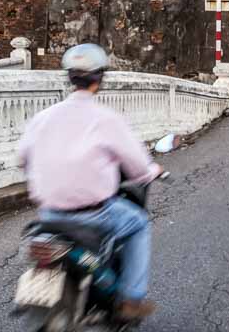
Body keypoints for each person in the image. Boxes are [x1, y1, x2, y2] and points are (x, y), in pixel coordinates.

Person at [17, 44, 162, 321]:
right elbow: (137, 166)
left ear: (70, 77)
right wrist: (151, 171)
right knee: (138, 224)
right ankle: (132, 299)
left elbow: (23, 158)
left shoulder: (43, 118)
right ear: (99, 78)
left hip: (49, 215)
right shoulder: (105, 119)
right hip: (93, 215)